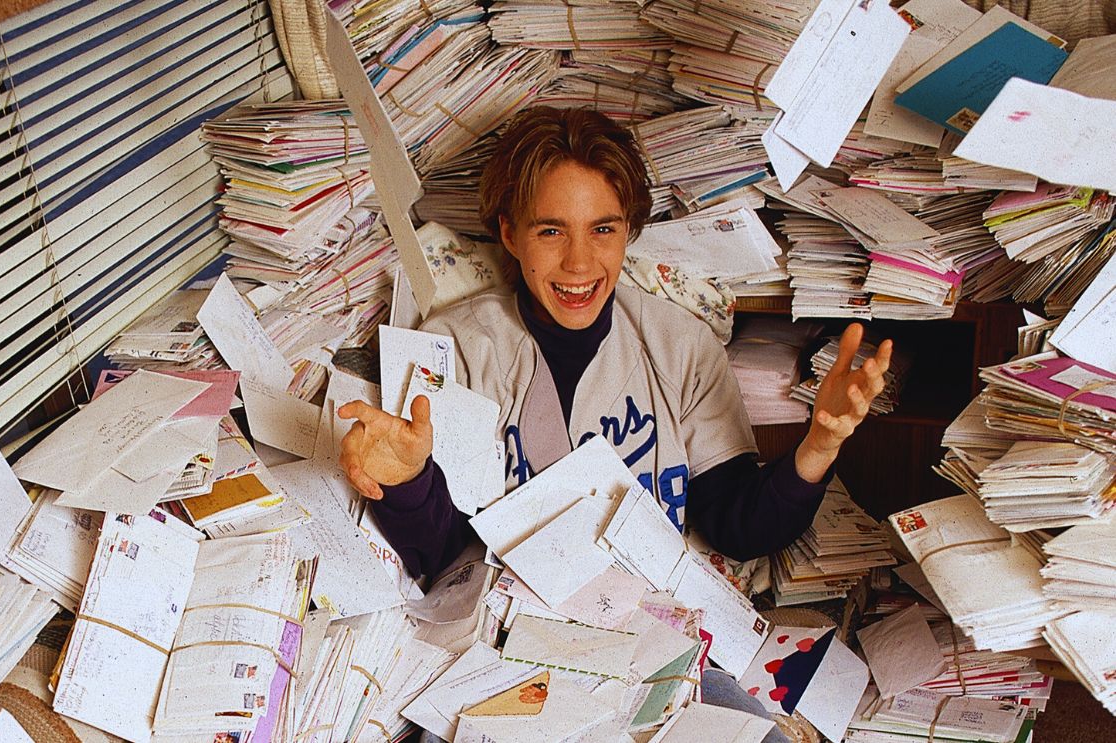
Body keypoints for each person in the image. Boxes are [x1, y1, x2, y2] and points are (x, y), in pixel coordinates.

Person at [337, 106, 890, 740]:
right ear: (509, 233)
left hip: (650, 644)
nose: (579, 263)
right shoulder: (455, 351)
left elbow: (737, 526)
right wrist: (407, 481)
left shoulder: (677, 346)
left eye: (602, 229)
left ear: (629, 230)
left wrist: (818, 446)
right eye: (551, 231)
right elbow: (441, 560)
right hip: (505, 656)